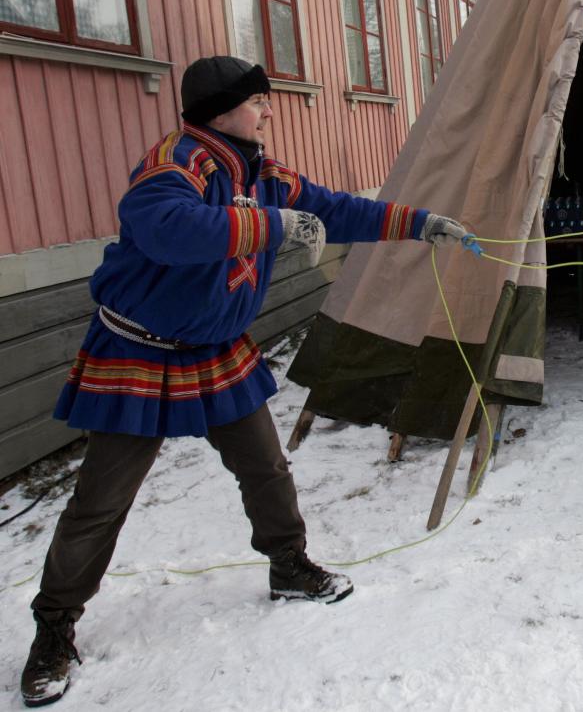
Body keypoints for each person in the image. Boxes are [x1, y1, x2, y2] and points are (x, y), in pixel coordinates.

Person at [19, 56, 472, 708]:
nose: (268, 111)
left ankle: (289, 565)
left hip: (216, 349)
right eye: (258, 101)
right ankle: (54, 628)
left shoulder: (262, 173)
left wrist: (418, 222)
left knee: (266, 468)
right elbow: (170, 230)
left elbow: (335, 210)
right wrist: (274, 225)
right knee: (101, 500)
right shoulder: (173, 165)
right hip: (139, 352)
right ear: (222, 108)